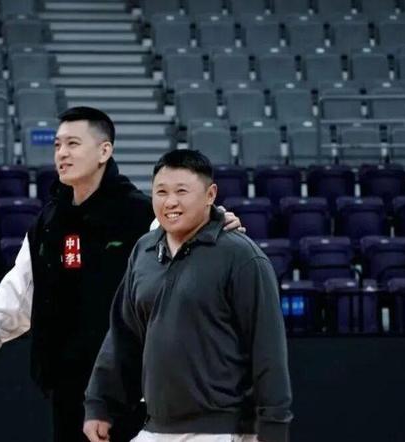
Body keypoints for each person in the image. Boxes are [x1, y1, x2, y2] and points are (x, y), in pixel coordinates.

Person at [0, 107, 244, 442]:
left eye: (73, 144)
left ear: (104, 151)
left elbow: (188, 244)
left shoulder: (139, 214)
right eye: (57, 145)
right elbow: (21, 286)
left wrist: (214, 223)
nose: (62, 153)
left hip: (129, 389)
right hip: (66, 387)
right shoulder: (48, 221)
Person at [83, 150, 292, 442]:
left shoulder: (242, 257)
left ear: (210, 195)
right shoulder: (144, 251)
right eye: (161, 192)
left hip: (221, 429)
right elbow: (122, 336)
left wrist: (273, 428)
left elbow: (267, 351)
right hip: (156, 426)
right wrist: (100, 404)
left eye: (181, 191)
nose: (170, 202)